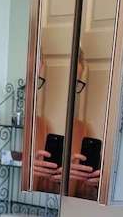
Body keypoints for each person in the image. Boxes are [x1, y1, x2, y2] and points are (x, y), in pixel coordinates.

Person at [32, 48, 100, 201]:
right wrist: (25, 172)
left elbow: (82, 196)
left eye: (75, 83)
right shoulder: (34, 128)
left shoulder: (82, 130)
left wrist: (96, 185)